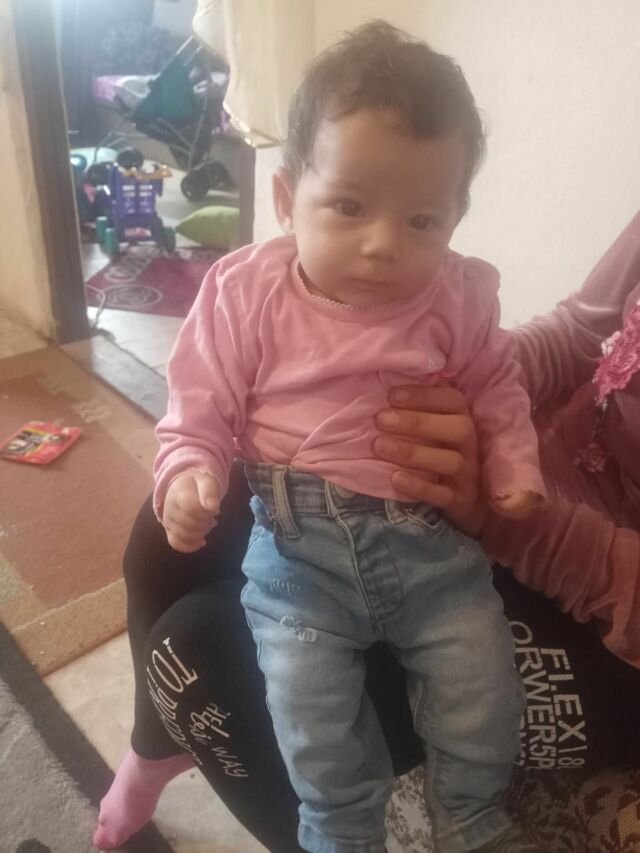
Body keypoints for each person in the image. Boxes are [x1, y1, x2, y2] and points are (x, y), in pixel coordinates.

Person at [91, 32, 640, 853]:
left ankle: (468, 820)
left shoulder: (456, 294)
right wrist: (189, 469)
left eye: (422, 221)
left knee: (474, 683)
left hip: (444, 550)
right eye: (349, 207)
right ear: (287, 199)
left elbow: (489, 380)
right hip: (301, 547)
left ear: (454, 218)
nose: (385, 245)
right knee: (209, 590)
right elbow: (198, 405)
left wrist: (506, 483)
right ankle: (274, 803)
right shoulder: (246, 293)